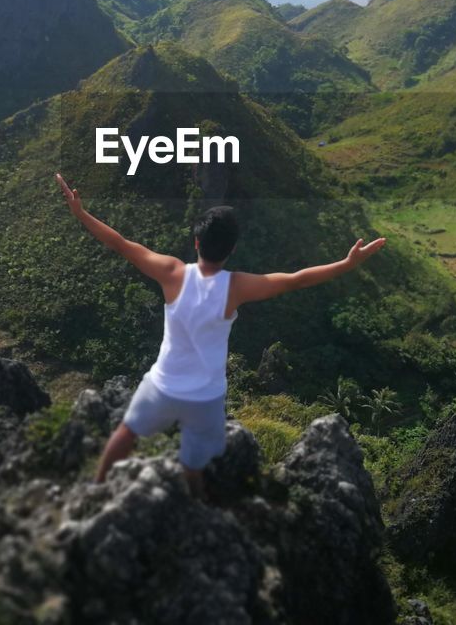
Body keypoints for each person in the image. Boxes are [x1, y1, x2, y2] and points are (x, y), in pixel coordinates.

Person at [55, 172, 385, 497]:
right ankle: (194, 505)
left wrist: (81, 213)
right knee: (193, 463)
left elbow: (120, 243)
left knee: (126, 434)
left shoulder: (171, 272)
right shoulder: (236, 286)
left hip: (164, 384)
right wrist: (346, 263)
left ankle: (97, 487)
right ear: (232, 249)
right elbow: (296, 279)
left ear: (197, 242)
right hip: (206, 397)